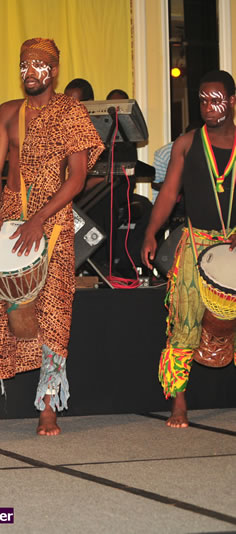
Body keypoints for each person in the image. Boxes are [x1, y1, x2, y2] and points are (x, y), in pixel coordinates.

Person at [0, 38, 103, 436]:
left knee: (53, 311)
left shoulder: (71, 112)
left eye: (38, 65)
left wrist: (39, 221)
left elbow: (78, 178)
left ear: (54, 71)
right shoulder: (8, 114)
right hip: (12, 213)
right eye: (23, 65)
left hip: (53, 220)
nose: (29, 72)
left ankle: (48, 403)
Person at [141, 69, 236, 429]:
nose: (208, 106)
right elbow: (168, 194)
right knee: (184, 324)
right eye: (202, 99)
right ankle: (179, 403)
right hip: (195, 244)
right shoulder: (187, 143)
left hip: (234, 241)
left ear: (232, 101)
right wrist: (151, 232)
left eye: (216, 99)